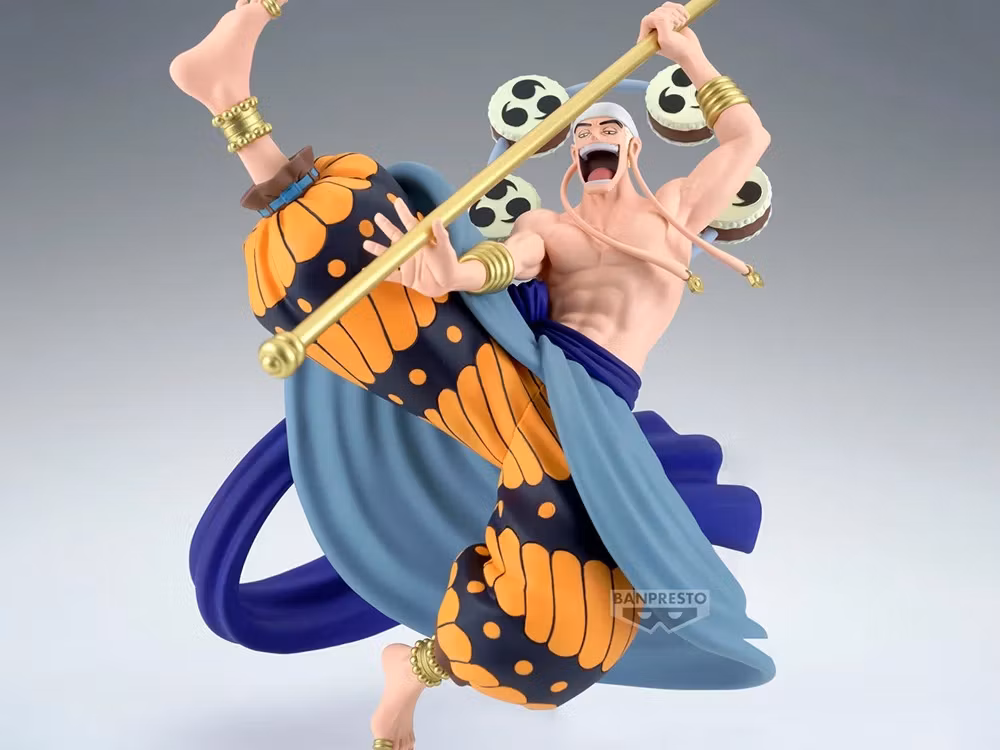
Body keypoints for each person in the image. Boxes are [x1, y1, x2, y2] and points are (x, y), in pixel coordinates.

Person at [171, 2, 774, 748]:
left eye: (607, 128)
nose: (593, 135)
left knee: (573, 636)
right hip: (536, 388)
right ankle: (232, 102)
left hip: (600, 413)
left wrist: (688, 54)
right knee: (380, 283)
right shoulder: (551, 227)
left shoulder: (677, 210)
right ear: (570, 151)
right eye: (582, 130)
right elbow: (506, 263)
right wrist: (453, 272)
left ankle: (414, 668)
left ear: (633, 145)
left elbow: (748, 138)